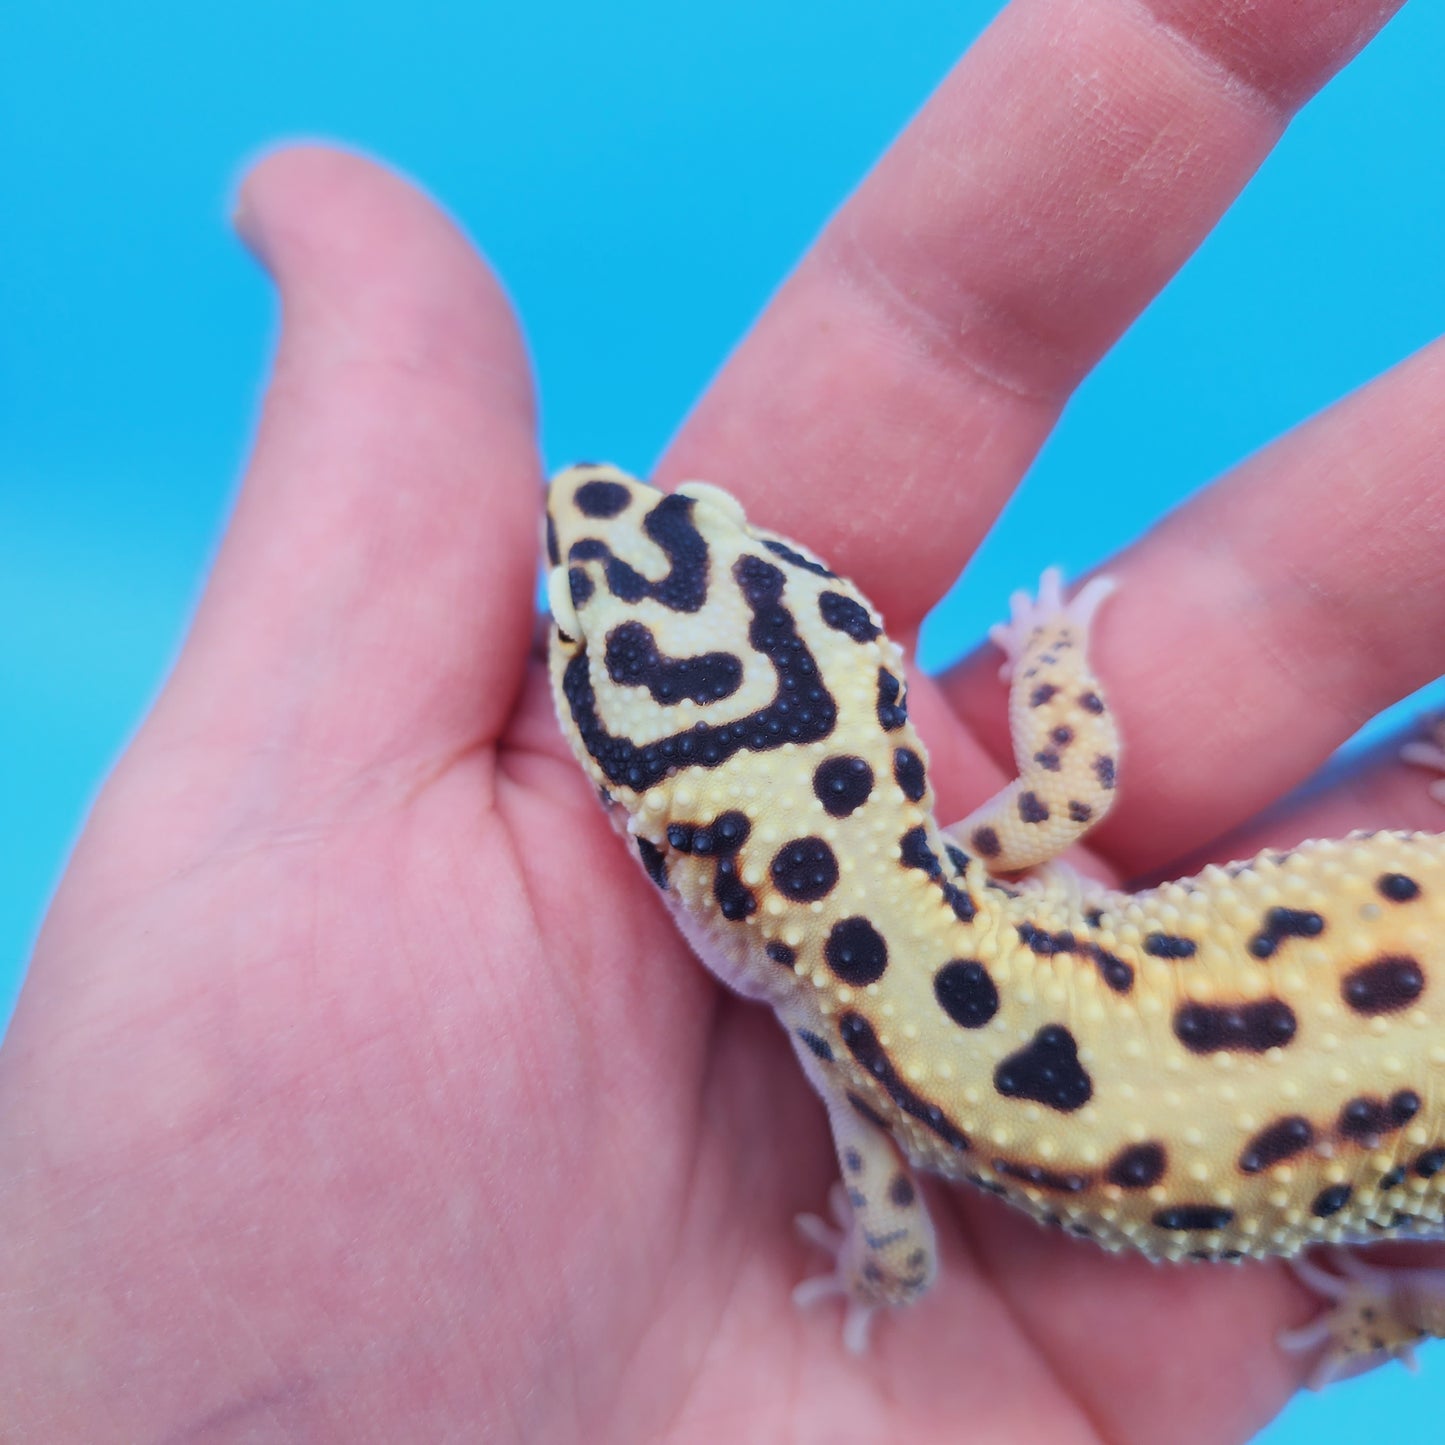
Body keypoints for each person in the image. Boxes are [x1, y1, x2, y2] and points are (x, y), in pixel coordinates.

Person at [2, 0, 1439, 1438]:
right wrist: (1049, 657)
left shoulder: (876, 1039)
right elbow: (1065, 793)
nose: (592, 506)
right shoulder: (958, 892)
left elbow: (903, 1258)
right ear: (864, 703)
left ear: (676, 851)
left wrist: (856, 1281)